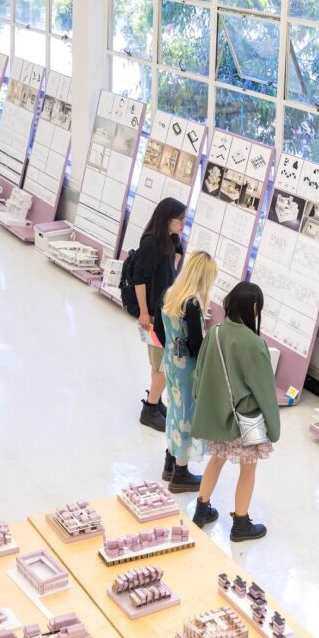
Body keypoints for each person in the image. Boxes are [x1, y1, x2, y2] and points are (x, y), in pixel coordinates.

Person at [190, 282, 280, 542]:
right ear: (253, 308)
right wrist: (273, 427)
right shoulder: (254, 344)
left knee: (215, 459)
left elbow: (201, 374)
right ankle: (240, 524)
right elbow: (264, 391)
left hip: (218, 415)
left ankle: (201, 510)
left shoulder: (215, 332)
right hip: (245, 420)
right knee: (248, 469)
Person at [159, 251, 218, 492]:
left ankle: (170, 462)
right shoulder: (192, 303)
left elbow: (160, 330)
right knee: (186, 417)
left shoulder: (170, 294)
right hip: (188, 372)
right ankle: (180, 474)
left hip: (171, 365)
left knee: (174, 411)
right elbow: (197, 346)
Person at [132, 197, 187, 432]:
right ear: (167, 219)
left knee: (159, 364)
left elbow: (174, 265)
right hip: (154, 314)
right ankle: (150, 407)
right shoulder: (150, 243)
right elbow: (139, 279)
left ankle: (155, 401)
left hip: (165, 309)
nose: (183, 224)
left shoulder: (169, 240)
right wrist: (144, 312)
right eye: (180, 220)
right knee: (164, 364)